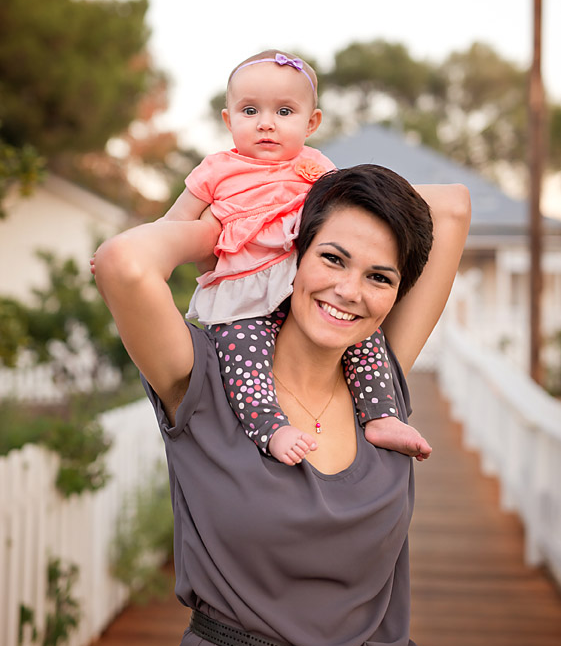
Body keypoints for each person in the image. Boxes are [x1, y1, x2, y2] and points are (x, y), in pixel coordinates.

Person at [93, 162, 471, 646]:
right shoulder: (205, 381)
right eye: (332, 258)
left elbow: (454, 205)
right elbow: (122, 264)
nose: (349, 291)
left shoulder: (380, 387)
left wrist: (316, 187)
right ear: (292, 257)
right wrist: (254, 219)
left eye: (380, 277)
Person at [160, 49, 431, 465]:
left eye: (284, 111)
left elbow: (359, 210)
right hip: (244, 294)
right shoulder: (217, 170)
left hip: (299, 286)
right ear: (229, 120)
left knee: (367, 343)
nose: (266, 123)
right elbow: (174, 222)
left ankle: (381, 415)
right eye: (250, 110)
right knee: (243, 359)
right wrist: (148, 254)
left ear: (312, 122)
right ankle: (270, 426)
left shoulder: (316, 166)